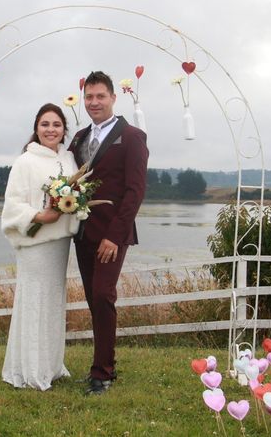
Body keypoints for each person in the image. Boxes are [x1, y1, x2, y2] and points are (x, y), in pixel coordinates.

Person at [69, 71, 148, 395]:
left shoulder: (131, 137)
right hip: (82, 232)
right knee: (93, 299)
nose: (94, 102)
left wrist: (114, 236)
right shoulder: (78, 139)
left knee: (103, 294)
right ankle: (105, 363)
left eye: (100, 96)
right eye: (89, 97)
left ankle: (102, 371)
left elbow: (135, 192)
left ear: (114, 98)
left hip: (112, 235)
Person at [0, 102, 79, 390]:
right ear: (36, 128)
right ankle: (30, 370)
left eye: (56, 125)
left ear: (64, 129)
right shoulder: (25, 161)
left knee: (53, 302)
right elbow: (12, 205)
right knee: (34, 301)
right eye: (45, 124)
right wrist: (39, 216)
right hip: (35, 244)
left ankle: (50, 365)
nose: (51, 130)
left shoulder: (69, 160)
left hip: (59, 244)